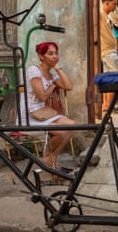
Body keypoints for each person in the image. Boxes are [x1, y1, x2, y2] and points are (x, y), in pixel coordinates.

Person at [21, 41, 75, 171]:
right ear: (41, 56)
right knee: (62, 132)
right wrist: (53, 85)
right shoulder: (34, 70)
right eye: (50, 53)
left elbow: (68, 87)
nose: (55, 56)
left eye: (56, 53)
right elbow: (42, 97)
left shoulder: (52, 73)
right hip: (29, 114)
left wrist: (58, 68)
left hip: (43, 113)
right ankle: (49, 159)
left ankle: (50, 157)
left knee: (72, 125)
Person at [100, 0, 118, 114]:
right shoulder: (100, 14)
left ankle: (107, 105)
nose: (115, 6)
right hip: (107, 51)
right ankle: (110, 105)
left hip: (110, 51)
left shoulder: (108, 17)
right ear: (107, 3)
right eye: (114, 4)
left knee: (108, 80)